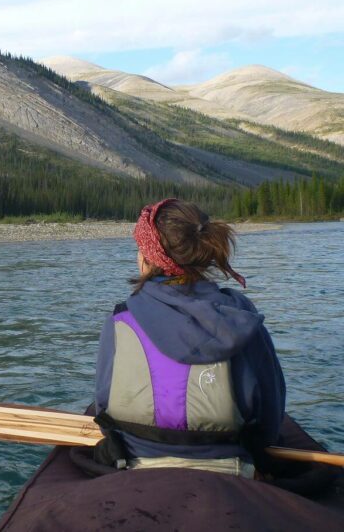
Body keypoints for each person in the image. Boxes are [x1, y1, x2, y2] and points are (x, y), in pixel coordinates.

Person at [93, 198, 286, 478]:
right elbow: (269, 422)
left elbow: (104, 408)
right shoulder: (241, 320)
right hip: (231, 468)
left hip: (135, 464)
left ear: (147, 258)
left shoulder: (120, 322)